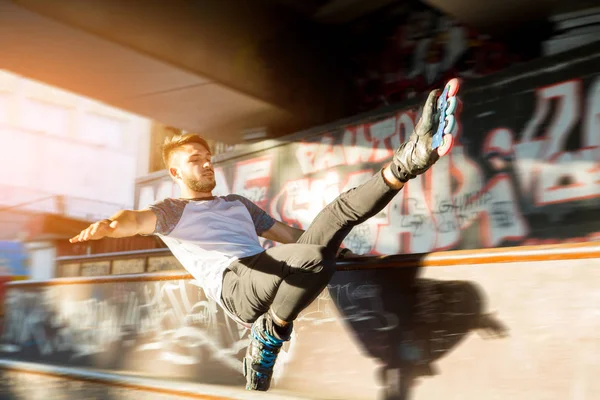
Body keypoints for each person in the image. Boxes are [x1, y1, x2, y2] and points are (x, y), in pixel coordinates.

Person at [70, 89, 455, 391]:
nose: (206, 163)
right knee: (312, 260)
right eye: (194, 160)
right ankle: (269, 333)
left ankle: (410, 159)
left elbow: (290, 236)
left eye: (207, 157)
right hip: (235, 285)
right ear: (175, 171)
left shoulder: (238, 204)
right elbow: (133, 220)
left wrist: (342, 248)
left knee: (332, 221)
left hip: (267, 270)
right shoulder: (171, 210)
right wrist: (107, 225)